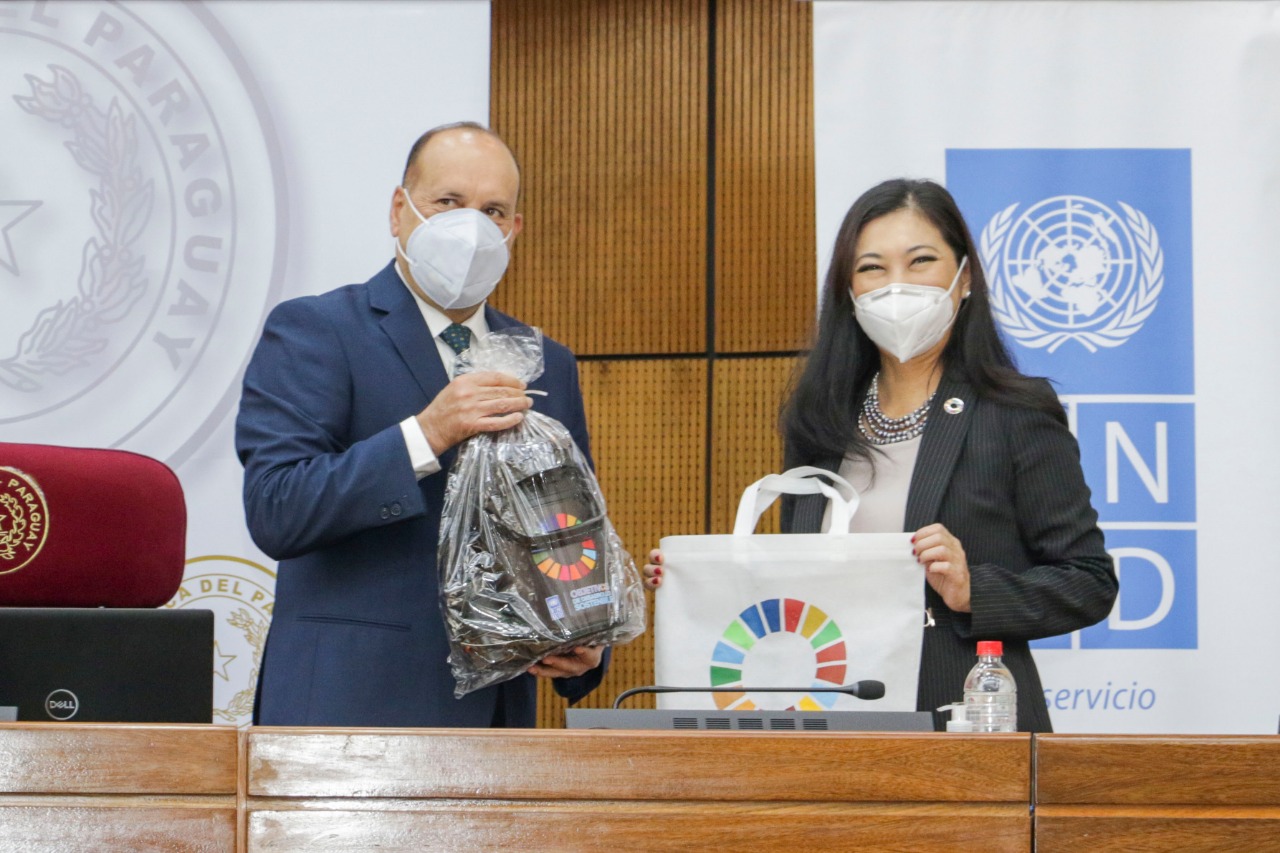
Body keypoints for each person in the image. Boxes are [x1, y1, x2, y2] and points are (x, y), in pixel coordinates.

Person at [644, 178, 1116, 732]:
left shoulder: (1015, 411)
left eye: (920, 261)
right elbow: (811, 585)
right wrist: (704, 585)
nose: (897, 285)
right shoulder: (820, 419)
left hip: (965, 726)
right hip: (830, 722)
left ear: (964, 279)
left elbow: (1088, 582)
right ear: (848, 290)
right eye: (872, 268)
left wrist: (973, 591)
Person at [236, 122, 606, 727]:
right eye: (449, 202)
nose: (472, 226)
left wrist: (587, 639)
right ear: (399, 211)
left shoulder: (546, 360)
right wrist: (427, 434)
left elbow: (569, 528)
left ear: (515, 231)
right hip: (349, 708)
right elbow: (278, 507)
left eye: (493, 211)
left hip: (499, 719)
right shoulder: (317, 330)